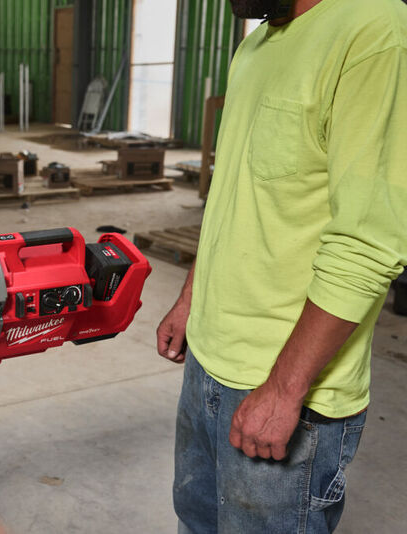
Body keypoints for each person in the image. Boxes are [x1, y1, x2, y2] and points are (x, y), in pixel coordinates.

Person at [156, 0, 407, 532]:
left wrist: (284, 389)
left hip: (285, 385)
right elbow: (231, 193)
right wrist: (190, 299)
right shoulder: (255, 45)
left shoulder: (374, 31)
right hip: (207, 365)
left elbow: (368, 240)